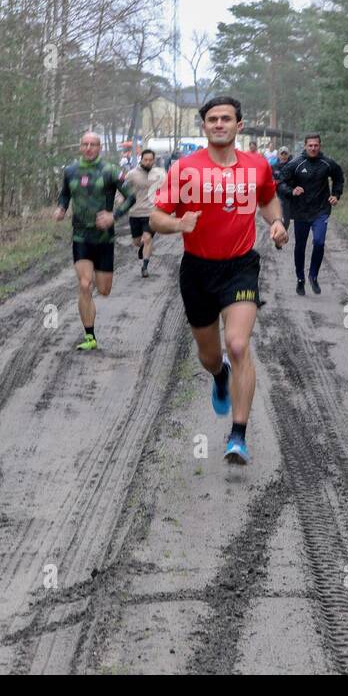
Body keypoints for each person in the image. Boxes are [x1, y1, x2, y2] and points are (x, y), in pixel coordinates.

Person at [151, 96, 288, 465]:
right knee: (211, 355)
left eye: (226, 118)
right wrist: (178, 224)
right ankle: (219, 374)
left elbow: (269, 200)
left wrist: (276, 222)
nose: (219, 124)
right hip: (197, 270)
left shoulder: (257, 166)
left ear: (239, 126)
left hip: (241, 266)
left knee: (239, 344)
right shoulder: (185, 169)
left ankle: (238, 436)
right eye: (212, 119)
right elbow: (155, 217)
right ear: (205, 126)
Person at [54, 131, 136, 350]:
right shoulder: (70, 171)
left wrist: (114, 216)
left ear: (99, 147)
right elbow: (65, 194)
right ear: (80, 146)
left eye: (93, 144)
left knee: (104, 289)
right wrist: (61, 208)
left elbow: (131, 197)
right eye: (85, 144)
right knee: (84, 284)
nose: (89, 148)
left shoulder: (109, 171)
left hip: (104, 238)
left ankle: (92, 324)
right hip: (81, 236)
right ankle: (90, 336)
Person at [282, 133, 345, 296]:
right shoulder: (295, 163)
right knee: (300, 246)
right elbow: (281, 183)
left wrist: (336, 194)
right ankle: (300, 279)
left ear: (320, 146)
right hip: (301, 211)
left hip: (321, 211)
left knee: (319, 242)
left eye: (316, 145)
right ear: (305, 146)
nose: (313, 148)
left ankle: (313, 275)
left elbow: (339, 177)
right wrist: (292, 190)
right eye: (310, 145)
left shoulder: (327, 163)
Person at [120, 148, 166, 277]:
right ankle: (145, 247)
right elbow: (122, 189)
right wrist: (120, 199)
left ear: (154, 160)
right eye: (146, 160)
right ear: (141, 160)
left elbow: (167, 190)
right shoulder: (132, 174)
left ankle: (145, 267)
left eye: (151, 160)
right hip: (135, 212)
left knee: (147, 238)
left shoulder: (160, 173)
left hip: (151, 212)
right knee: (137, 241)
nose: (148, 162)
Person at [271, 147, 294, 228]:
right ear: (278, 155)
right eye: (282, 154)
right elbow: (271, 179)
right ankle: (279, 236)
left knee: (286, 220)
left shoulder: (292, 166)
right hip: (277, 196)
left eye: (285, 154)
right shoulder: (274, 167)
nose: (284, 156)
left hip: (288, 196)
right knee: (277, 219)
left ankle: (282, 235)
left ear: (288, 155)